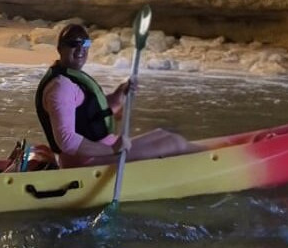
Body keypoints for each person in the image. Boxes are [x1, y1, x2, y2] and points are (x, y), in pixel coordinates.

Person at [35, 23, 203, 168]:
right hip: (85, 162)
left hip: (99, 151)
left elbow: (88, 115)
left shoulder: (70, 79)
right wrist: (112, 149)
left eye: (85, 43)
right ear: (59, 49)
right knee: (174, 143)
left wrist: (118, 96)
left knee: (163, 134)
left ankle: (207, 155)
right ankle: (213, 160)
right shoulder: (60, 87)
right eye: (73, 43)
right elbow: (67, 141)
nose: (80, 49)